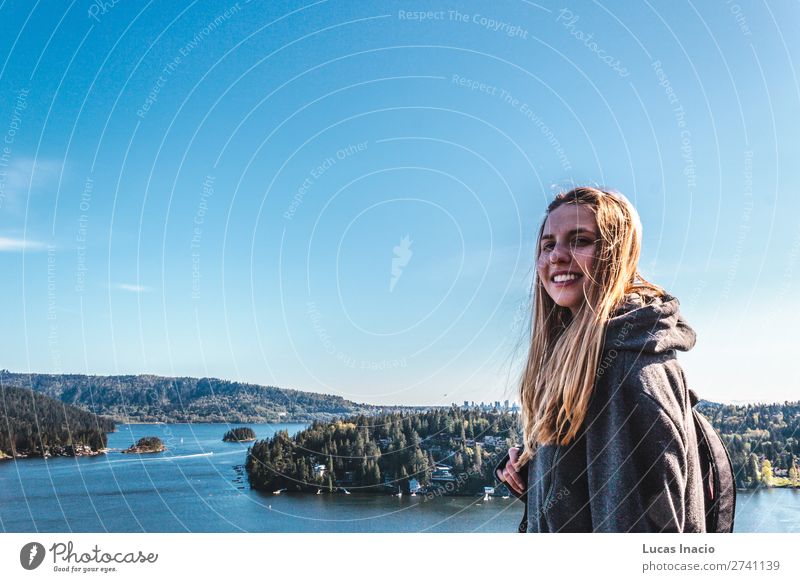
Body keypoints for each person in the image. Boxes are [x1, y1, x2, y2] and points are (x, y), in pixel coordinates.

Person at [494, 186, 705, 533]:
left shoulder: (626, 374)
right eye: (548, 245)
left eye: (580, 240)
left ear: (616, 254)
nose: (557, 256)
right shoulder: (581, 358)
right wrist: (536, 474)